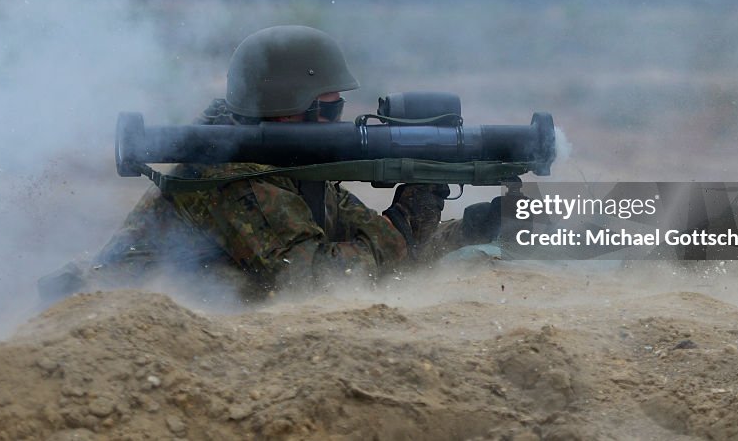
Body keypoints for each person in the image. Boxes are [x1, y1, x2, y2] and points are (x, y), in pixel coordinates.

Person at [39, 25, 500, 303]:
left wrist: (470, 228)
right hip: (125, 329)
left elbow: (377, 252)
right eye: (328, 107)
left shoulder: (287, 167)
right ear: (285, 107)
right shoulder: (233, 175)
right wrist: (401, 222)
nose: (337, 120)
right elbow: (316, 282)